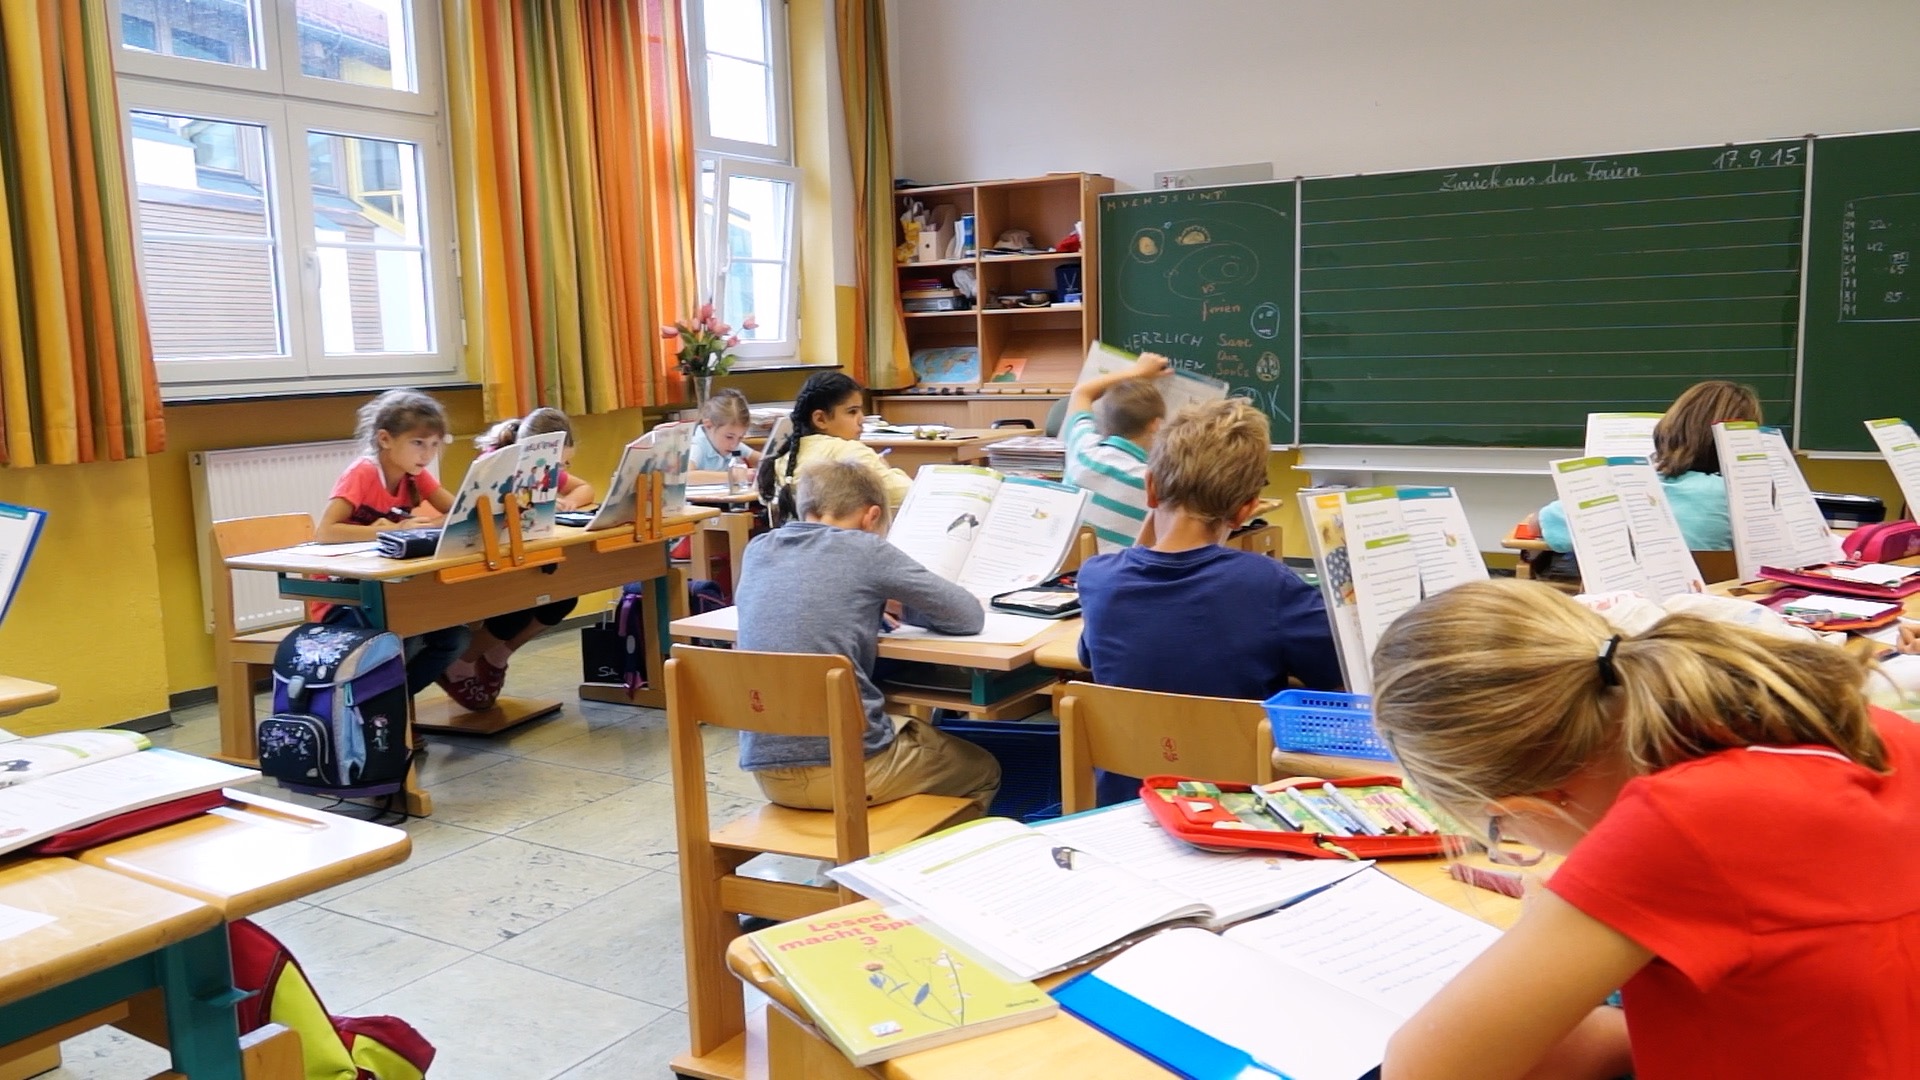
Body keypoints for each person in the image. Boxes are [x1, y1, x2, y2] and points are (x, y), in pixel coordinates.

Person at [1369, 578, 1920, 1080]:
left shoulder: (1680, 822)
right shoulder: (1861, 727)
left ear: (1534, 804)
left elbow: (1421, 1072)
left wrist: (1548, 931)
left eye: (1497, 830)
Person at [1076, 398, 1342, 804]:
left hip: (1130, 804)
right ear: (1246, 509)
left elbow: (1087, 656)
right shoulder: (1270, 586)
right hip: (1239, 808)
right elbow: (1336, 675)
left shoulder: (1098, 579)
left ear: (1150, 488)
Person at [734, 460, 1000, 815]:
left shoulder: (758, 549)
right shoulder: (865, 548)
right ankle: (906, 849)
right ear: (871, 517)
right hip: (854, 771)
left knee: (896, 723)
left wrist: (870, 603)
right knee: (984, 770)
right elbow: (967, 616)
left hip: (768, 776)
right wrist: (900, 605)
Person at [436, 408, 592, 711]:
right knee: (515, 612)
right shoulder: (495, 463)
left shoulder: (542, 464)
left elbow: (584, 488)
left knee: (563, 598)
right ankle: (461, 662)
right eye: (557, 464)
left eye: (564, 465)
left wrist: (569, 501)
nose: (558, 472)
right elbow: (473, 514)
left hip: (529, 551)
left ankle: (497, 655)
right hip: (488, 557)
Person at [316, 389, 469, 695]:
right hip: (343, 597)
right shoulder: (363, 473)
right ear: (385, 439)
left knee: (456, 638)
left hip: (388, 589)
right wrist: (393, 530)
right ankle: (375, 706)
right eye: (418, 443)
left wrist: (430, 524)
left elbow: (461, 513)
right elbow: (326, 532)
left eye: (435, 445)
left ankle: (389, 705)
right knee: (401, 636)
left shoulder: (415, 475)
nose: (427, 454)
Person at [1531, 380, 1763, 553]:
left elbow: (1536, 523)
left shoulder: (1618, 485)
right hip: (1712, 601)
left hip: (1626, 601)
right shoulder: (1745, 496)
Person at [757, 371, 911, 523]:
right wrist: (889, 469)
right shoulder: (850, 452)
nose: (861, 419)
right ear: (820, 419)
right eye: (852, 412)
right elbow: (907, 494)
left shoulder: (784, 459)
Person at [1063, 352, 1170, 552]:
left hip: (1069, 567)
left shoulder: (1083, 451)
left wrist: (1137, 371)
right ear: (1155, 424)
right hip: (1120, 570)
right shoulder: (1156, 485)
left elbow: (1081, 392)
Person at [687, 388, 762, 486]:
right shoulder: (698, 446)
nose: (734, 445)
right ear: (709, 425)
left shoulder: (734, 448)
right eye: (729, 437)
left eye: (740, 438)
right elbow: (687, 476)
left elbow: (762, 459)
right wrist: (735, 476)